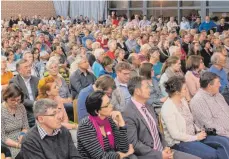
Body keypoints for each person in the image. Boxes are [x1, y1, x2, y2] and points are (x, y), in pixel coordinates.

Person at [122, 76, 200, 159]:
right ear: (137, 91)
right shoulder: (128, 113)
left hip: (163, 150)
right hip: (150, 155)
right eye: (146, 87)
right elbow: (134, 143)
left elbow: (158, 131)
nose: (150, 90)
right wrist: (159, 155)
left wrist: (165, 146)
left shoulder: (148, 106)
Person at [162, 76, 229, 159]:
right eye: (184, 89)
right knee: (212, 154)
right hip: (180, 142)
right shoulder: (168, 108)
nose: (187, 91)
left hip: (195, 135)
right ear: (177, 92)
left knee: (225, 142)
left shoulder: (182, 101)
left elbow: (191, 121)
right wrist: (195, 137)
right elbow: (175, 135)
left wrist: (199, 131)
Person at [77, 91, 135, 159]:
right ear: (97, 111)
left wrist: (121, 123)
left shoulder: (109, 121)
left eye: (110, 102)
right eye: (107, 105)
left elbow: (123, 148)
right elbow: (100, 156)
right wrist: (121, 155)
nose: (111, 106)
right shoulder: (85, 126)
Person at [190, 72, 229, 138]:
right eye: (218, 83)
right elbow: (209, 125)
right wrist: (227, 134)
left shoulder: (217, 94)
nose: (220, 85)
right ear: (209, 86)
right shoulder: (198, 100)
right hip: (217, 135)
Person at [1, 84, 29, 158]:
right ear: (6, 97)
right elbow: (2, 137)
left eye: (18, 100)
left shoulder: (21, 107)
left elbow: (25, 126)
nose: (16, 103)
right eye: (12, 100)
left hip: (23, 138)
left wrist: (23, 134)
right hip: (8, 144)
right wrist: (18, 145)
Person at [9, 59, 39, 127]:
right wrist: (35, 103)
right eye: (26, 67)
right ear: (19, 71)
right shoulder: (14, 82)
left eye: (29, 66)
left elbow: (40, 94)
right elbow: (19, 99)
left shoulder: (36, 79)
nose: (29, 69)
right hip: (24, 110)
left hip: (38, 108)